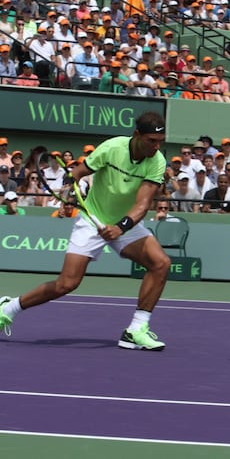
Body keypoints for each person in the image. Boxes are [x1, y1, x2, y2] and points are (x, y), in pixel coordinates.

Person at [0, 111, 170, 350]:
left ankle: (136, 330)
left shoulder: (158, 161)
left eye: (160, 142)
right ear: (137, 135)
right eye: (152, 141)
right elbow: (79, 172)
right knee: (67, 284)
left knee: (161, 263)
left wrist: (120, 227)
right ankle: (8, 307)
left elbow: (143, 205)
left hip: (125, 223)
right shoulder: (112, 148)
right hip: (93, 220)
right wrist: (69, 187)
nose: (156, 146)